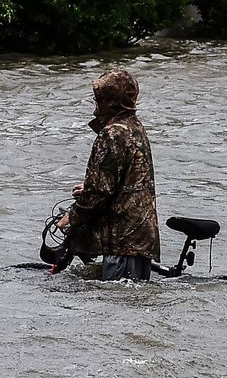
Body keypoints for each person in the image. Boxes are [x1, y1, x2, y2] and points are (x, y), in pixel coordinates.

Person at [55, 69, 160, 281]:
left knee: (116, 304)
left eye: (98, 99)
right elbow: (130, 179)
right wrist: (90, 186)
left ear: (109, 101)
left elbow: (100, 192)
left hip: (120, 240)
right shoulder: (135, 127)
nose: (95, 107)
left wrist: (72, 216)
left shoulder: (112, 133)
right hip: (141, 237)